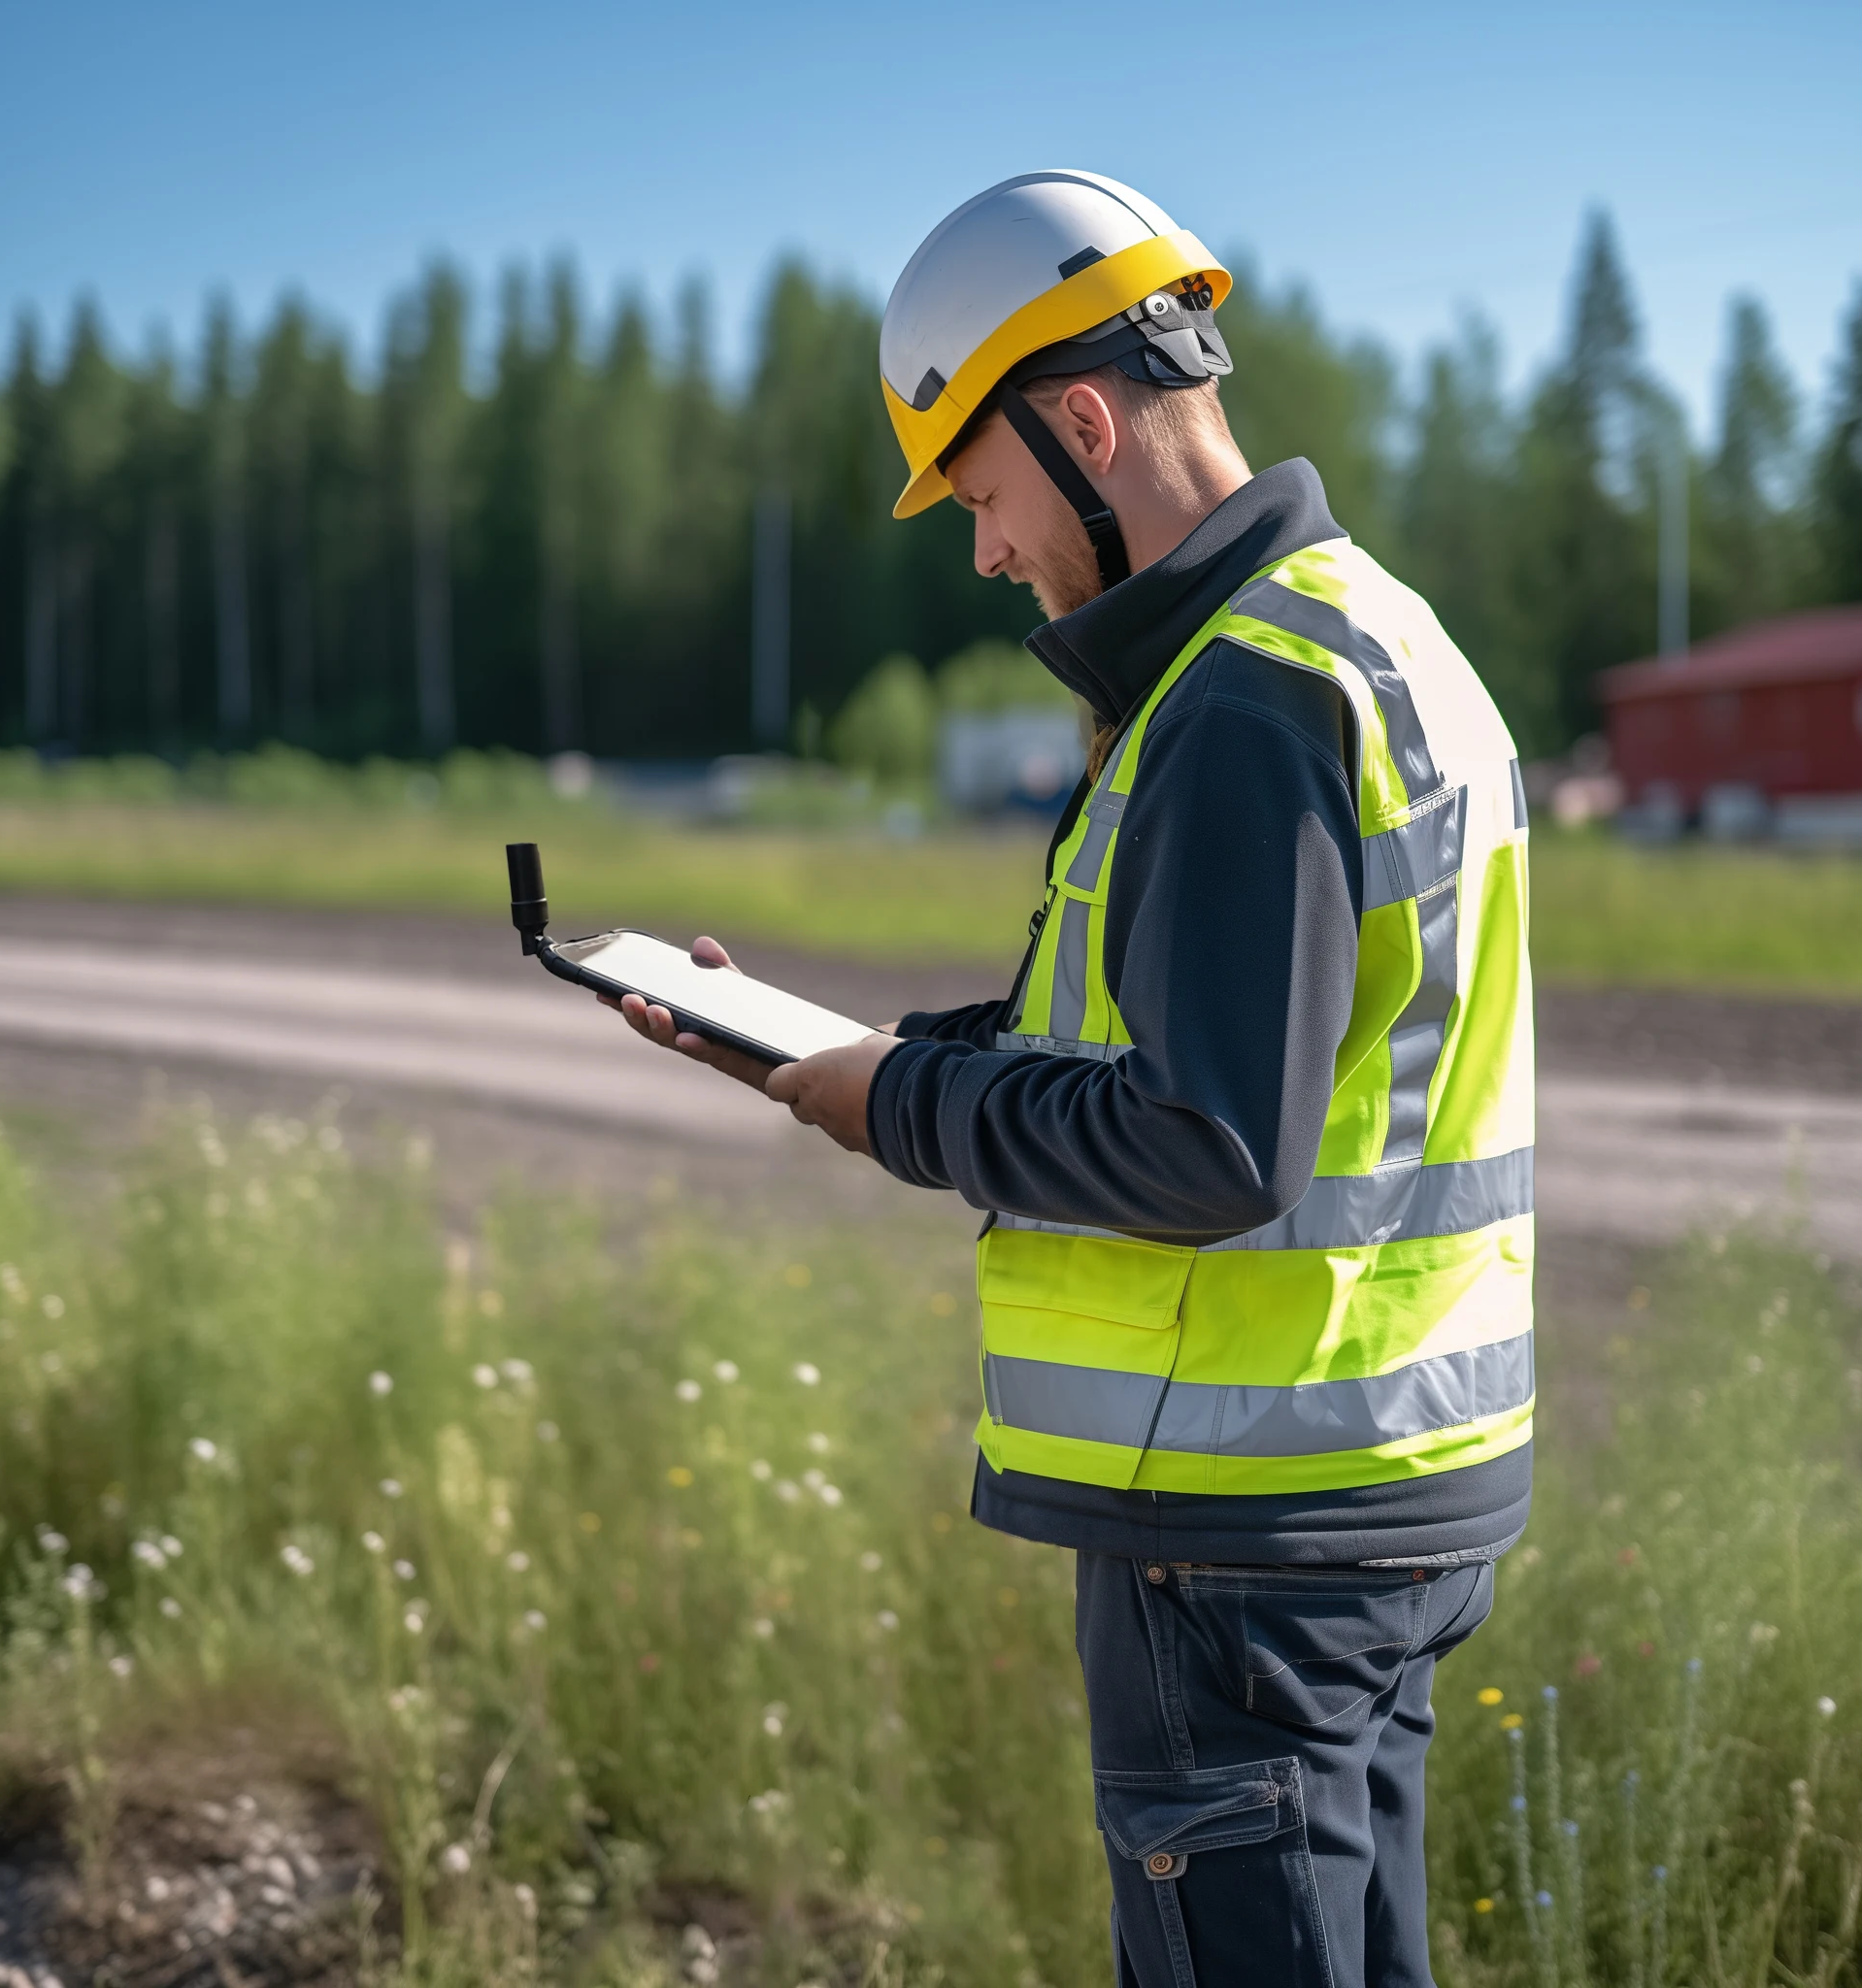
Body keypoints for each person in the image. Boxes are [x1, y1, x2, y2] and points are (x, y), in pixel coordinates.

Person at [613, 170, 1535, 1988]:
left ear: (1085, 420)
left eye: (979, 488)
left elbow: (1202, 1139)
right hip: (1389, 1486)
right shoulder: (1370, 635)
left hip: (1249, 1535)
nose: (982, 548)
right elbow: (1174, 1048)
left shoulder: (1241, 701)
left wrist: (888, 1104)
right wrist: (860, 1052)